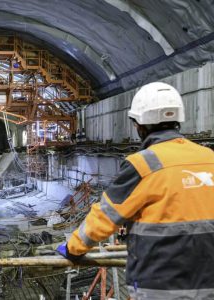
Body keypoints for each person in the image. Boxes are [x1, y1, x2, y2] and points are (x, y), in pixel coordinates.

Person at [57, 82, 214, 299]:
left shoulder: (143, 164)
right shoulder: (209, 158)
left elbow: (105, 216)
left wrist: (73, 248)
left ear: (139, 125)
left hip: (161, 287)